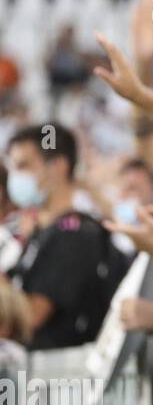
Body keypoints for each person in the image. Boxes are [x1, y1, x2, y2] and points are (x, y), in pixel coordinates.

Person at [5, 123, 128, 350]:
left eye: (23, 166)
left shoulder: (73, 233)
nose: (15, 178)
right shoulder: (39, 233)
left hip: (58, 377)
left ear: (57, 166)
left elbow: (30, 318)